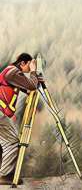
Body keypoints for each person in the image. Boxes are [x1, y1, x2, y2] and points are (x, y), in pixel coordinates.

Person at [0, 53, 41, 185]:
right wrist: (35, 71)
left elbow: (25, 87)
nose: (29, 69)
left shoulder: (10, 72)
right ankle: (4, 176)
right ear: (22, 63)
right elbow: (32, 86)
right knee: (11, 142)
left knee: (5, 142)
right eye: (29, 65)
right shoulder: (13, 73)